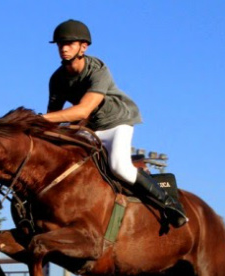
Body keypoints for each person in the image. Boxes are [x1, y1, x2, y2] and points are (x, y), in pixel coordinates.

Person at [42, 19, 188, 228]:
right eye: (60, 45)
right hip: (90, 128)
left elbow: (83, 109)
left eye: (70, 44)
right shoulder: (57, 79)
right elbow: (53, 118)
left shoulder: (97, 70)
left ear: (83, 47)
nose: (64, 49)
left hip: (117, 122)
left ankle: (169, 203)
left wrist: (40, 119)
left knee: (119, 166)